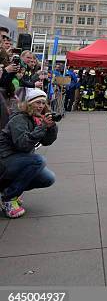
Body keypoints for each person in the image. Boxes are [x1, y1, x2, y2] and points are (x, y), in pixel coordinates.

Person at [0, 88, 57, 218]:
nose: (41, 106)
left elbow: (47, 141)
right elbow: (23, 144)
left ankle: (7, 189)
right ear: (29, 104)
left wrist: (51, 127)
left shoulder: (36, 118)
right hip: (4, 160)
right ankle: (9, 198)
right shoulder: (19, 118)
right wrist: (42, 127)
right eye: (38, 103)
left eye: (43, 103)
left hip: (16, 161)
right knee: (38, 161)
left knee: (48, 178)